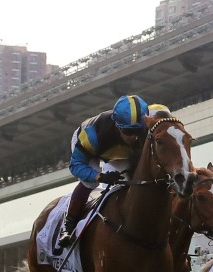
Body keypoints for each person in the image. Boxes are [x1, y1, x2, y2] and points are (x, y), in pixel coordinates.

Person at [57, 94, 149, 247]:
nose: (134, 137)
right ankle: (68, 225)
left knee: (137, 179)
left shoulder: (147, 126)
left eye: (138, 131)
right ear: (117, 126)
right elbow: (76, 166)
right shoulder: (92, 136)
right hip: (94, 150)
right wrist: (99, 176)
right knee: (89, 183)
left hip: (122, 152)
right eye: (128, 132)